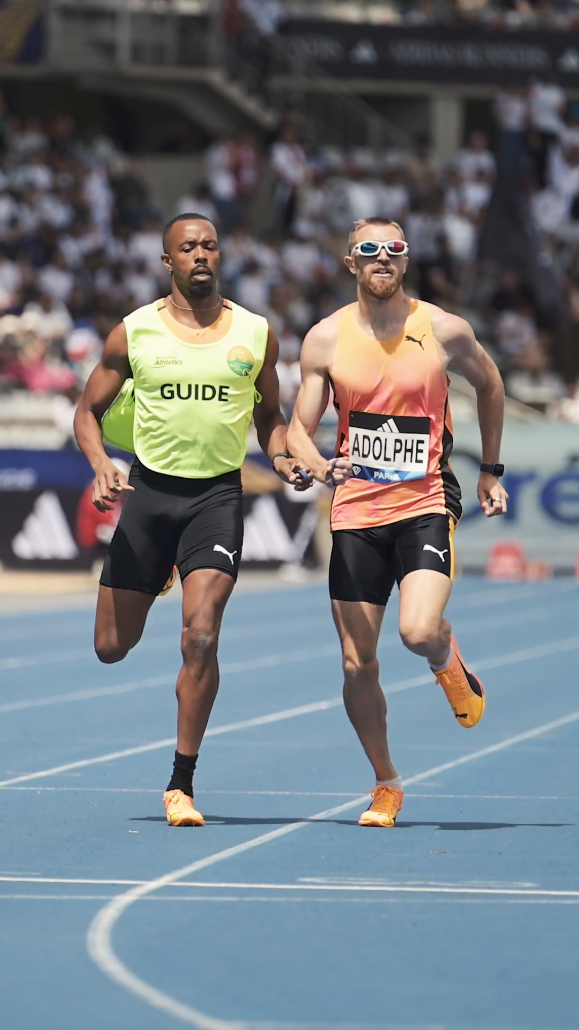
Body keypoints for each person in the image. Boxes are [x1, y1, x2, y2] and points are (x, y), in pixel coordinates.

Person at [74, 212, 308, 827]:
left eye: (209, 245)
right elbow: (87, 412)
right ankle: (161, 572)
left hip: (216, 499)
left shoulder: (256, 333)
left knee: (200, 636)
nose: (200, 254)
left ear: (220, 256)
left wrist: (283, 456)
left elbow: (271, 417)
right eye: (187, 248)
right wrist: (100, 465)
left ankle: (181, 782)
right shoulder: (134, 333)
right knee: (110, 648)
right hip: (150, 496)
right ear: (167, 261)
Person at [287, 217, 508, 828]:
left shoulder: (444, 329)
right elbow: (298, 430)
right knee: (356, 664)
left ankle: (445, 659)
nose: (382, 257)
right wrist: (315, 465)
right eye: (369, 249)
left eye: (394, 249)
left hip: (425, 501)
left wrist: (490, 470)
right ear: (350, 263)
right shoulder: (325, 339)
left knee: (417, 630)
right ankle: (386, 783)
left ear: (406, 261)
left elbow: (491, 384)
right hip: (356, 510)